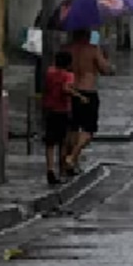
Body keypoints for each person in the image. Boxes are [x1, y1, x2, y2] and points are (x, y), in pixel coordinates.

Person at [63, 29, 115, 175]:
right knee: (88, 130)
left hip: (72, 91)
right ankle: (72, 157)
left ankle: (72, 162)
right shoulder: (93, 50)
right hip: (88, 92)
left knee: (73, 128)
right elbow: (105, 69)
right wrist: (108, 63)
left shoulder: (67, 49)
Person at [42, 51, 85, 186]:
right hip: (62, 111)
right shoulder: (68, 75)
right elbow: (66, 88)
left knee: (50, 143)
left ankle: (49, 169)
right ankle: (62, 170)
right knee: (62, 142)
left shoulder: (49, 73)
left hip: (49, 109)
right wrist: (79, 96)